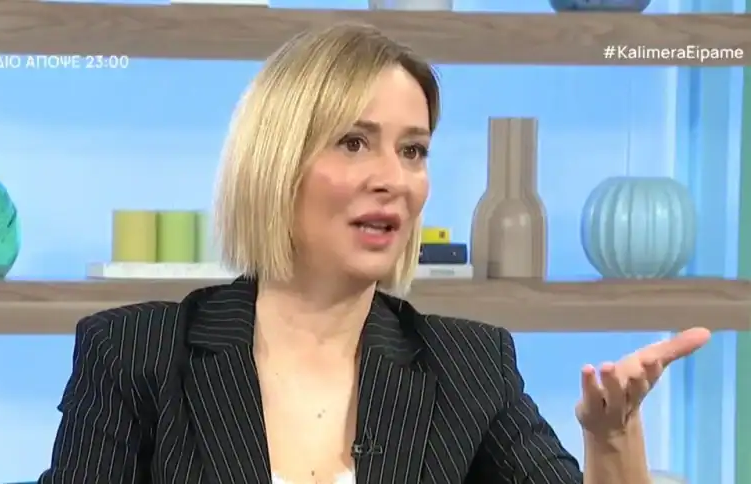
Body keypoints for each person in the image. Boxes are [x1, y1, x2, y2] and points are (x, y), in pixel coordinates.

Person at [38, 23, 710, 484]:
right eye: (354, 143)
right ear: (277, 162)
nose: (394, 178)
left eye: (413, 150)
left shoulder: (470, 366)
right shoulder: (134, 353)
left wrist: (613, 437)